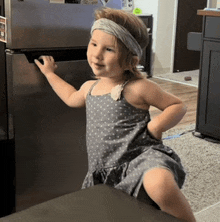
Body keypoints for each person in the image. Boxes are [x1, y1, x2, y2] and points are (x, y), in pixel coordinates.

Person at [35, 7, 196, 222]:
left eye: (109, 49)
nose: (97, 54)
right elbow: (70, 97)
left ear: (130, 58)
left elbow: (177, 106)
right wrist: (49, 74)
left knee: (160, 184)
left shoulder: (138, 87)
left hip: (140, 159)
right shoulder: (89, 88)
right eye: (93, 44)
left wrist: (156, 127)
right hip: (104, 171)